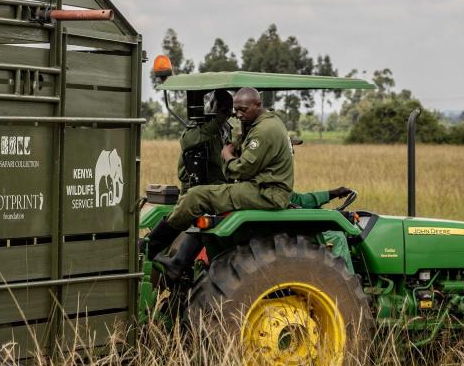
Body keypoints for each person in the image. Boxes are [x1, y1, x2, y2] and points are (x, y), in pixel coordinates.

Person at [147, 87, 352, 276]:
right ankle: (172, 259)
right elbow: (295, 196)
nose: (237, 114)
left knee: (196, 197)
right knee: (200, 201)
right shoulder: (250, 126)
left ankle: (150, 248)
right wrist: (331, 193)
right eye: (233, 110)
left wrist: (227, 154)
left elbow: (242, 170)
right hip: (261, 190)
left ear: (258, 105)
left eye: (241, 109)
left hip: (263, 192)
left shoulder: (263, 131)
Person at [176, 89, 234, 189]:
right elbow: (186, 142)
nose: (225, 112)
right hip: (196, 186)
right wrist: (216, 123)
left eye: (228, 108)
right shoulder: (201, 123)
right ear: (211, 106)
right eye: (220, 107)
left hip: (219, 183)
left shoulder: (226, 128)